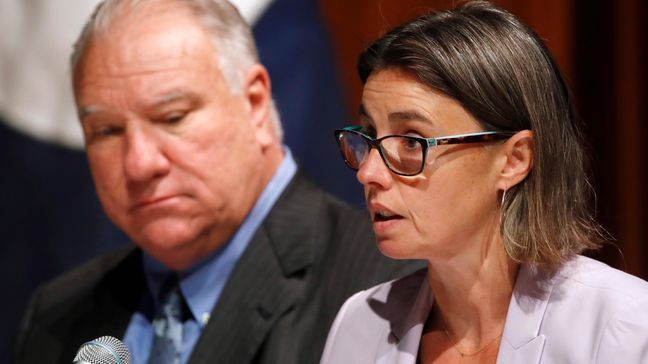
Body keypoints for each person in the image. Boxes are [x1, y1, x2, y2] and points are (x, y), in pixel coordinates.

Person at [13, 0, 420, 363]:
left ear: (256, 104)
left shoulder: (394, 292)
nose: (138, 164)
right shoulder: (57, 315)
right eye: (106, 131)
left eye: (172, 118)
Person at [320, 2, 648, 363]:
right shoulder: (360, 323)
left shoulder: (624, 326)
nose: (368, 173)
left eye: (412, 142)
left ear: (514, 160)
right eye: (368, 135)